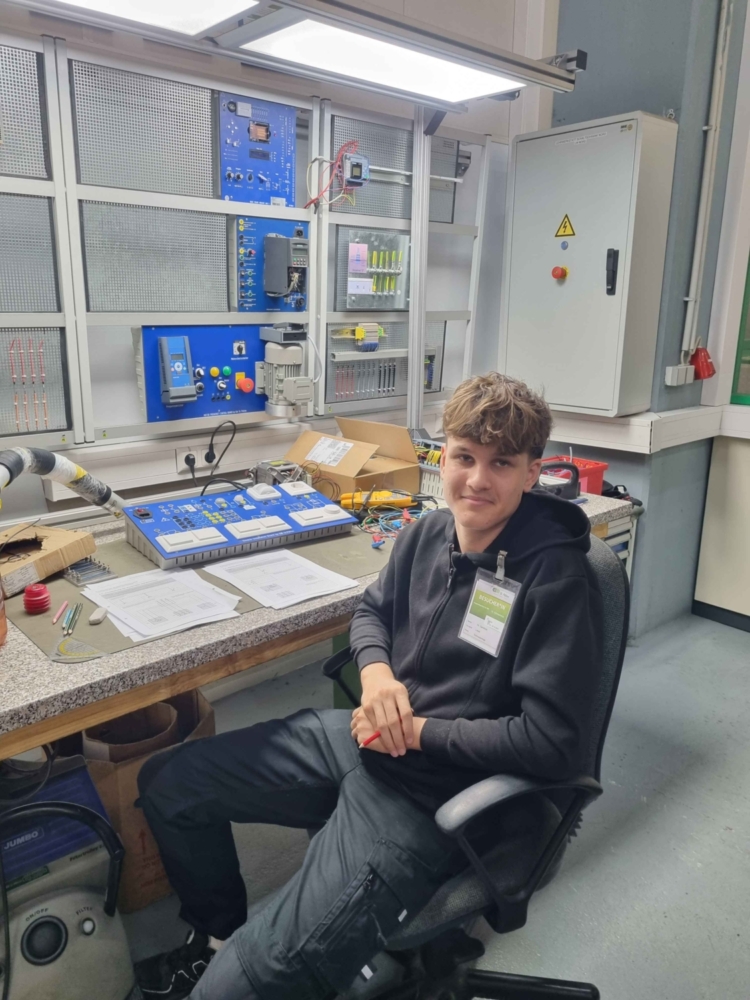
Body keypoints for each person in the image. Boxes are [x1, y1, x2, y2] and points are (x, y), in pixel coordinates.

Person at [135, 372, 603, 1000]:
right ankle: (215, 936)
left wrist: (418, 732)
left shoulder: (555, 578)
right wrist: (377, 675)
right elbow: (371, 612)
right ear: (443, 457)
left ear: (531, 472)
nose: (477, 480)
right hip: (366, 742)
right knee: (169, 783)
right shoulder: (428, 533)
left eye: (501, 463)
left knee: (238, 989)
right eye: (464, 457)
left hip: (433, 794)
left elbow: (553, 744)